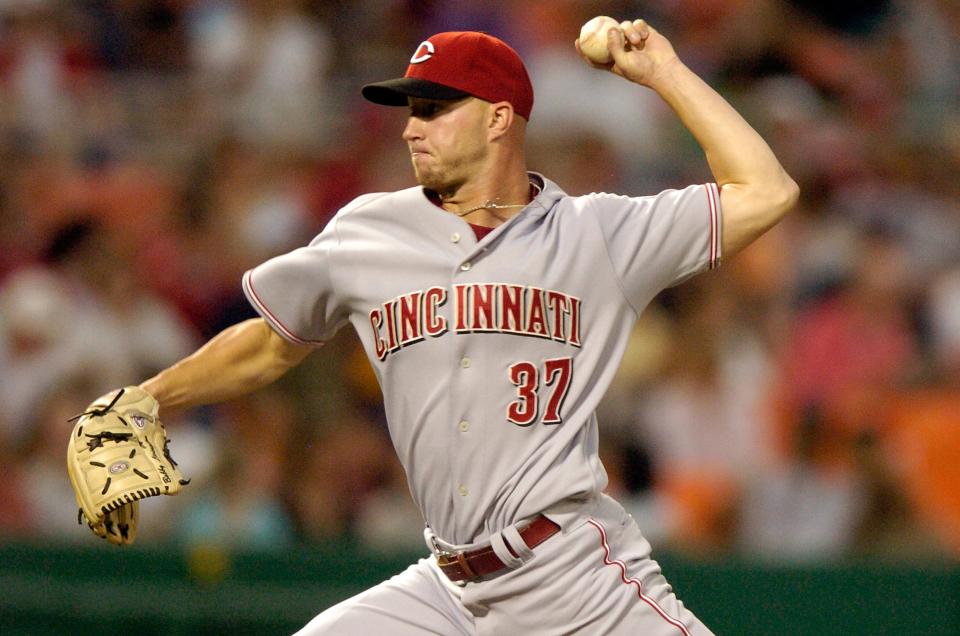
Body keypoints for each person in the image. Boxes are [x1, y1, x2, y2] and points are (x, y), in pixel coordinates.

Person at [133, 21, 797, 635]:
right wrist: (148, 399)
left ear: (499, 119)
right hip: (447, 590)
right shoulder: (370, 230)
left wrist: (664, 73)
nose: (411, 129)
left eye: (434, 109)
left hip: (573, 579)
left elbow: (767, 192)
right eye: (410, 111)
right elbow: (271, 343)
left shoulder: (597, 234)